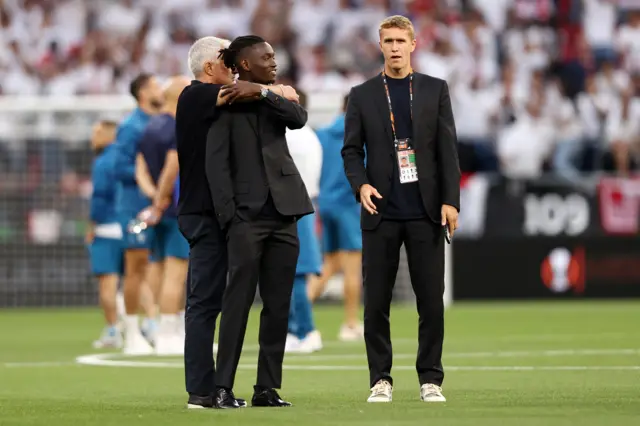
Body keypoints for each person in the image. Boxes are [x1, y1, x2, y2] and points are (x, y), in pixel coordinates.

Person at [161, 36, 300, 410]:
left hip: (229, 213)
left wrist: (270, 91)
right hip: (207, 215)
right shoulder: (195, 95)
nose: (235, 67)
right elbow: (235, 94)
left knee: (223, 300)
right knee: (205, 302)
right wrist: (274, 89)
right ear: (210, 68)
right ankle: (202, 391)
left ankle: (226, 388)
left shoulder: (237, 99)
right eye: (228, 60)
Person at [341, 15, 460, 403]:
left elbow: (447, 150)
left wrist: (450, 201)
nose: (394, 47)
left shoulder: (434, 89)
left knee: (431, 301)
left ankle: (431, 379)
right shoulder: (361, 94)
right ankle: (381, 379)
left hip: (426, 211)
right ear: (380, 45)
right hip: (380, 211)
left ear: (413, 44)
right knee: (376, 301)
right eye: (388, 40)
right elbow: (350, 150)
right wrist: (360, 185)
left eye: (400, 41)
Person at [208, 35, 312, 408]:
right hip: (245, 218)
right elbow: (216, 164)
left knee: (278, 304)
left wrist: (265, 93)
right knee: (236, 302)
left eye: (274, 55)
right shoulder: (222, 102)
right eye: (266, 57)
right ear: (245, 64)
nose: (274, 61)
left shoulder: (274, 97)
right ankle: (222, 387)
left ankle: (266, 388)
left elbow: (299, 119)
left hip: (285, 213)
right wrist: (229, 216)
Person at [135, 76, 191, 355]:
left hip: (160, 210)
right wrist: (162, 200)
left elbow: (141, 169)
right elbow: (173, 167)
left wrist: (153, 198)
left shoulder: (150, 127)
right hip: (176, 209)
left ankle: (167, 328)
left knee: (157, 268)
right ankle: (169, 335)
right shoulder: (177, 127)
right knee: (176, 274)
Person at [112, 73, 164, 354]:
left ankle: (154, 321)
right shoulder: (131, 126)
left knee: (158, 264)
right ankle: (132, 328)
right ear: (143, 93)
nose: (162, 89)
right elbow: (119, 168)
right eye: (156, 86)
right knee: (136, 265)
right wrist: (150, 180)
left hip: (158, 206)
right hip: (134, 207)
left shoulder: (159, 122)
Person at [308, 94, 364, 342]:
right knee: (352, 265)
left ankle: (295, 314)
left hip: (325, 203)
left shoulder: (321, 134)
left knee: (329, 264)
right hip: (348, 204)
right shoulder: (361, 135)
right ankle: (351, 324)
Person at [283, 89, 323, 354]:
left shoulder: (290, 136)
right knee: (291, 274)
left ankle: (304, 329)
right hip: (303, 205)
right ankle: (295, 330)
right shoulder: (308, 135)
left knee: (293, 274)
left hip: (292, 208)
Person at [86, 120, 124, 349]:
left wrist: (92, 225)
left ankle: (112, 330)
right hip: (127, 226)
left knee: (107, 285)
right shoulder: (126, 157)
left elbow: (99, 197)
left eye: (96, 132)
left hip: (107, 228)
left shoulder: (102, 162)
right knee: (137, 281)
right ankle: (150, 324)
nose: (93, 137)